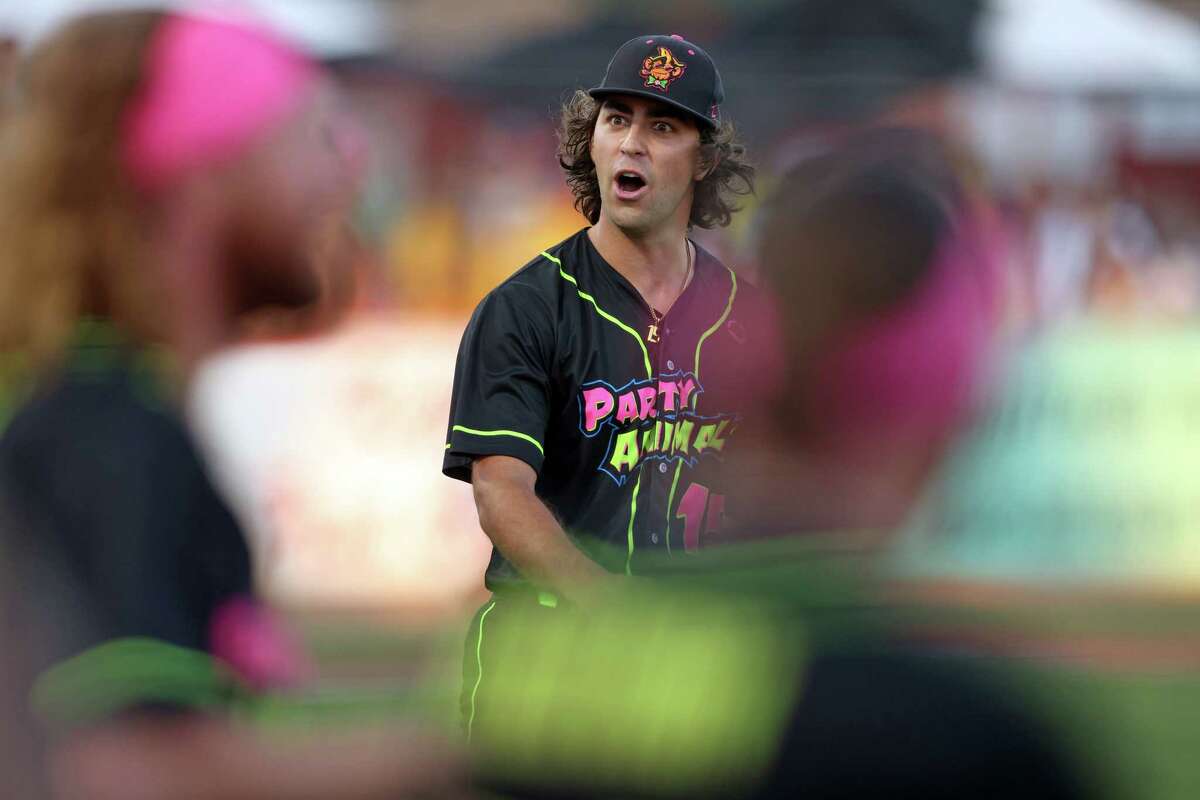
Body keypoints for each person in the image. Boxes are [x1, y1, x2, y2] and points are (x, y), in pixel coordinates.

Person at [0, 10, 460, 797]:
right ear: (201, 169)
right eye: (309, 138)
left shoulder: (110, 414)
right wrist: (490, 744)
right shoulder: (106, 435)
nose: (347, 173)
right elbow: (122, 769)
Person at [442, 31, 763, 731]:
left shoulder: (750, 317)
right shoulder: (525, 310)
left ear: (704, 159)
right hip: (547, 661)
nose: (632, 143)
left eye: (664, 126)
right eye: (616, 119)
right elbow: (501, 493)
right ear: (591, 141)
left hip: (697, 664)